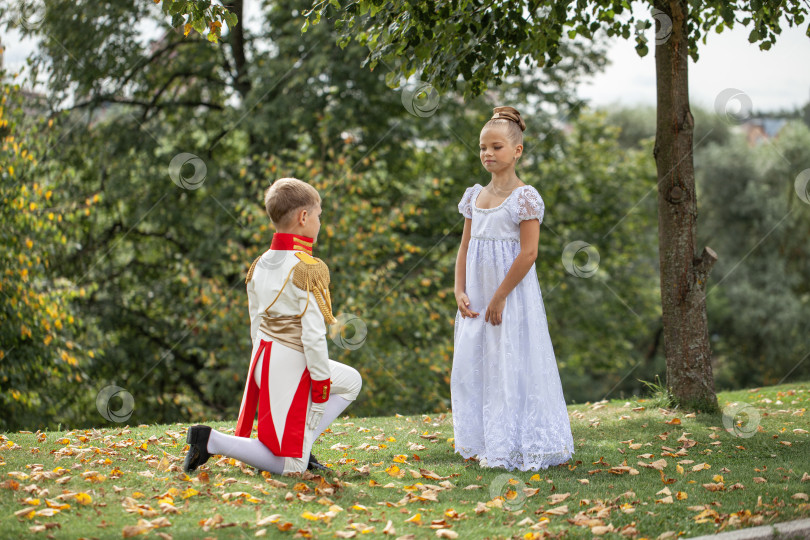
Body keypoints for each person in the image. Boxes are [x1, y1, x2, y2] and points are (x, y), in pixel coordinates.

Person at [184, 177, 362, 475]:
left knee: (351, 380)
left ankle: (302, 447)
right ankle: (210, 440)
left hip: (263, 359)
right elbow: (314, 336)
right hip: (291, 364)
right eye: (319, 215)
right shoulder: (307, 267)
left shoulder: (259, 263)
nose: (320, 222)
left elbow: (256, 325)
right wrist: (319, 385)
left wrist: (261, 370)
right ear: (303, 218)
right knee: (291, 467)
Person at [451, 106, 574, 471]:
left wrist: (501, 295)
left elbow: (529, 252)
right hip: (477, 294)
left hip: (509, 297)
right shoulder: (474, 196)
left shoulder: (524, 198)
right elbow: (465, 247)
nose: (488, 154)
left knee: (509, 363)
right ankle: (484, 439)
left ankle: (513, 442)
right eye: (482, 148)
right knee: (476, 364)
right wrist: (459, 289)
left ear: (517, 150)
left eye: (496, 147)